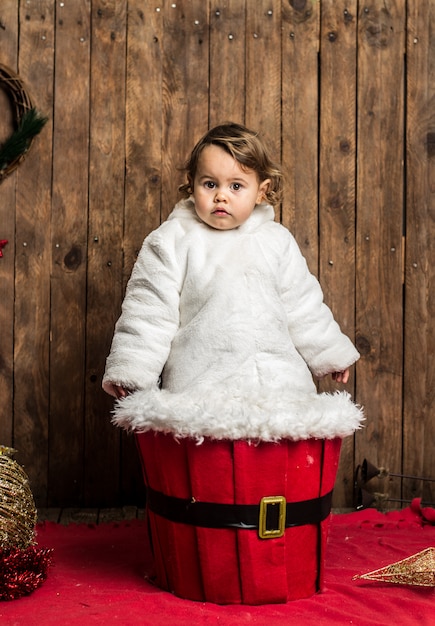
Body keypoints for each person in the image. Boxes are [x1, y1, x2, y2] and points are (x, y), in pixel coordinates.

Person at [103, 122, 363, 441]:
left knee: (272, 480)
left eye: (236, 186)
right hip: (201, 392)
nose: (221, 196)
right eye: (210, 184)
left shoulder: (276, 241)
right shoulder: (172, 241)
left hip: (281, 389)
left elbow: (303, 304)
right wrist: (131, 370)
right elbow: (148, 312)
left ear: (261, 191)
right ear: (192, 184)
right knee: (217, 480)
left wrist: (330, 353)